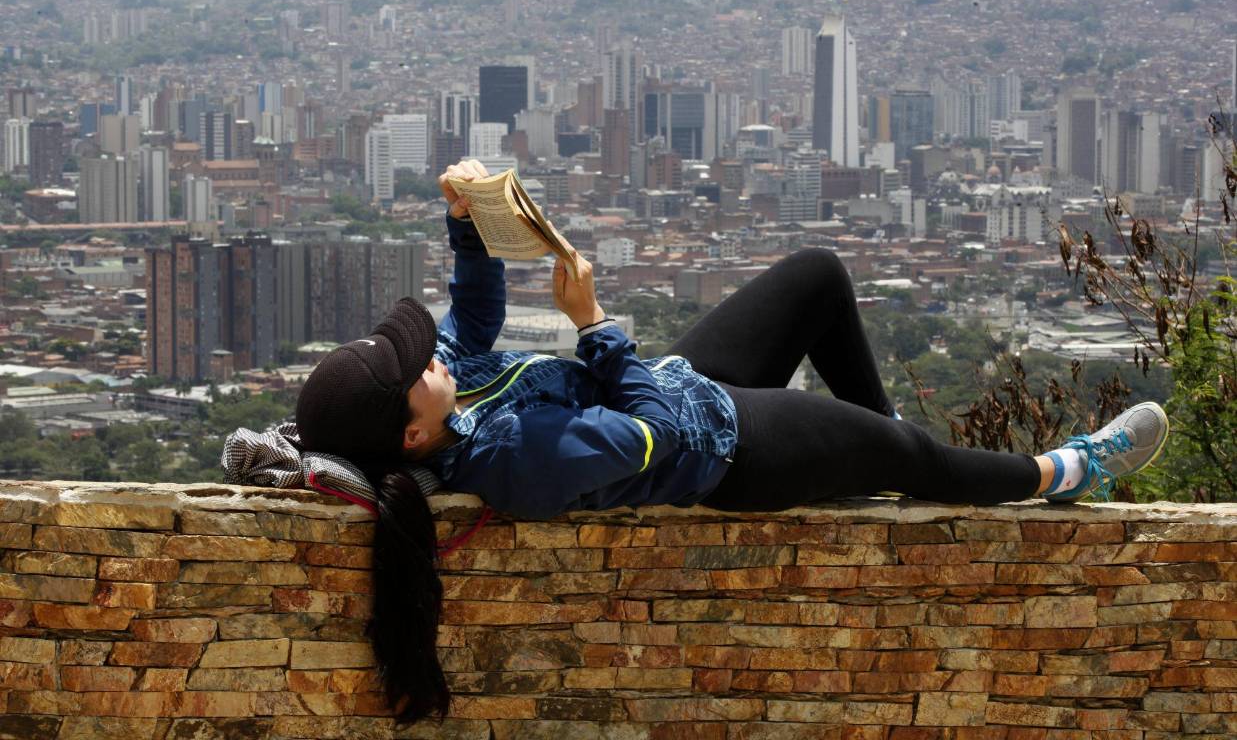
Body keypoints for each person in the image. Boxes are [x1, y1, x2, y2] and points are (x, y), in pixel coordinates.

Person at [293, 159, 1170, 723]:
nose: (427, 352)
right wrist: (591, 320)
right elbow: (655, 431)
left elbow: (475, 308)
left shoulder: (458, 384)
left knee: (818, 276)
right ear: (413, 433)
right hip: (726, 449)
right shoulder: (511, 462)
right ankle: (1061, 470)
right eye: (412, 365)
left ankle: (893, 453)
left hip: (680, 382)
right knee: (909, 458)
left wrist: (466, 216)